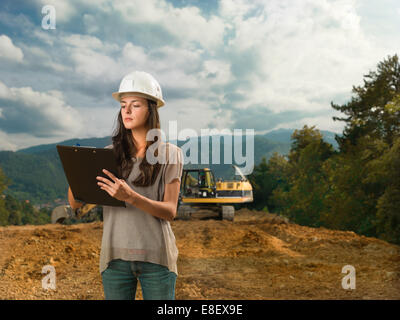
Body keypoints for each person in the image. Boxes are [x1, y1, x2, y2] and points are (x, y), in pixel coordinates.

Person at [68, 71, 183, 300]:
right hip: (115, 259)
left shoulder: (170, 154)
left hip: (156, 259)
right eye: (123, 105)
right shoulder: (109, 156)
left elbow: (170, 211)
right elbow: (75, 203)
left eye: (135, 105)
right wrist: (76, 170)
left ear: (151, 109)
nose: (127, 111)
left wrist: (131, 197)